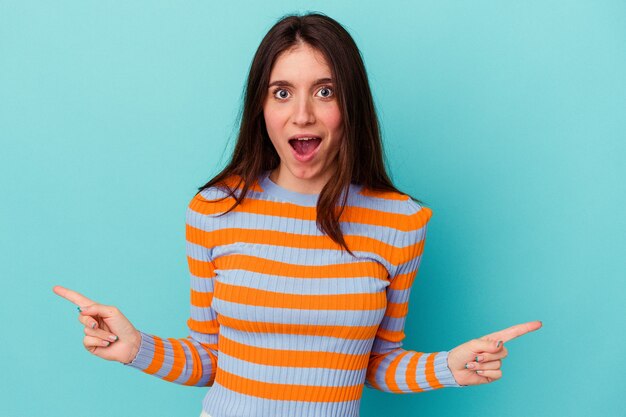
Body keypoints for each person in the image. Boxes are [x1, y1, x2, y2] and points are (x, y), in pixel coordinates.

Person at [53, 12, 542, 417]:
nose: (302, 114)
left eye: (325, 91)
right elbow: (210, 360)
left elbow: (374, 363)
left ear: (350, 104)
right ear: (261, 106)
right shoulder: (214, 211)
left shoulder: (401, 222)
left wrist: (447, 368)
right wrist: (136, 346)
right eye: (282, 92)